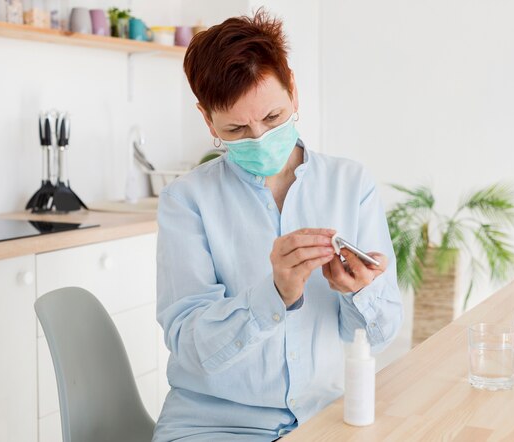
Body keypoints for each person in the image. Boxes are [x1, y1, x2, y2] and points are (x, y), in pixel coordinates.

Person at [152, 9, 403, 442]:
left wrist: (360, 291)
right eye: (235, 128)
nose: (259, 139)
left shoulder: (351, 183)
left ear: (293, 89)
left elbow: (379, 335)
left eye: (271, 118)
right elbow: (189, 346)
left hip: (325, 419)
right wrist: (273, 296)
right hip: (214, 427)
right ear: (207, 120)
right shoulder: (187, 201)